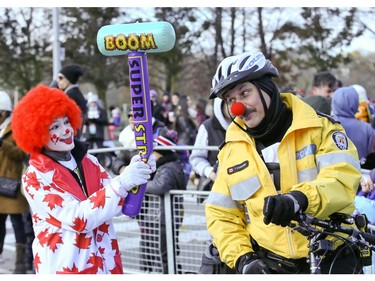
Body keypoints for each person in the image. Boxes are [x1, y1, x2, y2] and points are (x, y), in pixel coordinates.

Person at [204, 51, 362, 274]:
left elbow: (342, 180)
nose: (239, 107)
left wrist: (299, 199)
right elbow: (222, 214)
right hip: (271, 264)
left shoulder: (322, 129)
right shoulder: (232, 150)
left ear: (267, 88)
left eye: (245, 93)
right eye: (231, 100)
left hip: (331, 258)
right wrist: (243, 258)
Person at [11, 85, 156, 274]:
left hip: (107, 267)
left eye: (66, 122)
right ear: (37, 134)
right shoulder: (34, 178)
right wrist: (122, 182)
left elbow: (119, 205)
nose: (66, 130)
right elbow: (78, 219)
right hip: (65, 270)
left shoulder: (89, 161)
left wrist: (136, 174)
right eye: (55, 126)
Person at [139, 128, 187, 273]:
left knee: (164, 252)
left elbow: (161, 186)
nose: (152, 155)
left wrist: (142, 185)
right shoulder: (169, 166)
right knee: (166, 250)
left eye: (154, 152)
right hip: (165, 217)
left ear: (162, 153)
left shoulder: (168, 168)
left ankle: (169, 273)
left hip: (165, 218)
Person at [0, 91, 29, 274]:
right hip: (0, 182)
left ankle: (21, 264)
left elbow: (21, 154)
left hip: (12, 183)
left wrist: (2, 143)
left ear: (3, 112)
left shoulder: (16, 128)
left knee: (18, 224)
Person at [189, 97, 231, 192]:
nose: (233, 106)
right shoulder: (207, 127)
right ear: (219, 105)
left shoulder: (247, 125)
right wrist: (210, 172)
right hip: (216, 189)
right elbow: (196, 158)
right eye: (229, 101)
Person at [332, 85, 375, 163]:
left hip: (332, 173)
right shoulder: (368, 129)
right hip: (360, 172)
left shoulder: (327, 125)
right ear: (355, 103)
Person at [57, 63, 87, 139]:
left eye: (61, 78)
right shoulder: (74, 93)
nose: (58, 81)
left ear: (68, 79)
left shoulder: (71, 95)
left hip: (70, 137)